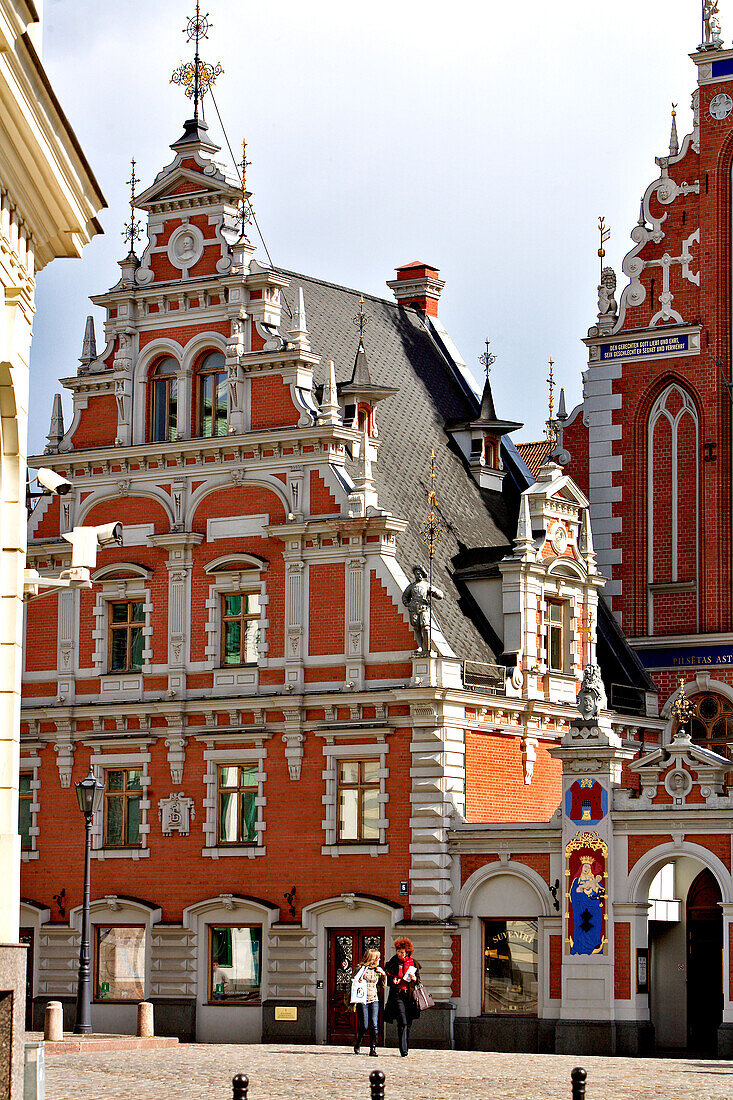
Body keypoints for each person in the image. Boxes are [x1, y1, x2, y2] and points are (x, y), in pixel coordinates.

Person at [384, 937, 420, 1056]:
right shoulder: (393, 962)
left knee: (408, 1021)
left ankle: (405, 1044)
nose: (399, 954)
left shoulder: (413, 962)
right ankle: (403, 1049)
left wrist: (414, 979)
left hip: (409, 996)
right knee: (402, 1021)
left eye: (402, 952)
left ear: (407, 952)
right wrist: (392, 980)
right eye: (398, 951)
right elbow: (386, 977)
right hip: (397, 994)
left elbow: (418, 980)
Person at [351, 947, 386, 1056]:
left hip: (374, 998)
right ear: (372, 958)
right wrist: (358, 980)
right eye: (378, 958)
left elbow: (383, 986)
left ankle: (373, 1049)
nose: (379, 960)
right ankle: (358, 1043)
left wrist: (383, 974)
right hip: (362, 999)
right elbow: (352, 982)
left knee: (374, 1025)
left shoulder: (377, 970)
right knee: (365, 1025)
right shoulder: (360, 968)